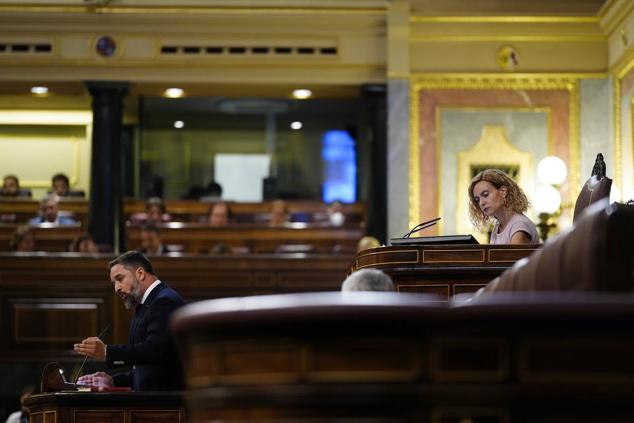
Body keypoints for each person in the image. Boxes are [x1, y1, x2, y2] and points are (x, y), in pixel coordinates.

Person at [74, 251, 185, 391]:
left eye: (120, 279)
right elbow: (148, 369)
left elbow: (153, 351)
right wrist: (112, 381)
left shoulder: (164, 301)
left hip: (165, 405)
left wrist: (107, 352)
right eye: (114, 283)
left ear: (140, 273)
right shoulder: (146, 305)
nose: (116, 288)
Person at [468, 169, 539, 244]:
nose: (481, 203)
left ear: (503, 191)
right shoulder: (497, 227)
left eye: (485, 195)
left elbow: (515, 256)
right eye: (477, 200)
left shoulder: (519, 225)